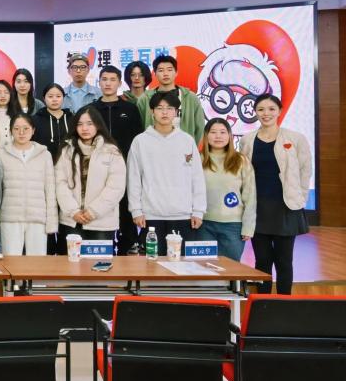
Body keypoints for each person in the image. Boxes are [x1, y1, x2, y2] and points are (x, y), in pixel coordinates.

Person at [240, 94, 312, 294]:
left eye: (271, 109)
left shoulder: (295, 138)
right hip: (258, 208)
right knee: (262, 260)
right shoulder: (247, 140)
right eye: (261, 109)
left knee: (284, 261)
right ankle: (262, 304)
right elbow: (243, 173)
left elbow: (305, 170)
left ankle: (284, 305)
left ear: (279, 111)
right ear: (255, 112)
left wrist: (300, 197)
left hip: (285, 207)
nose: (266, 113)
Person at [127, 90, 206, 252]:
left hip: (183, 215)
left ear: (176, 112)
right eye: (159, 108)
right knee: (152, 263)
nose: (165, 112)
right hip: (150, 215)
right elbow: (133, 178)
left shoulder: (187, 140)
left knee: (180, 263)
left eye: (169, 108)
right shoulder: (140, 141)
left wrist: (198, 211)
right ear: (152, 112)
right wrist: (136, 210)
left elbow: (196, 178)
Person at [55, 107, 126, 254]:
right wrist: (73, 211)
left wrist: (93, 211)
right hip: (72, 220)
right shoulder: (66, 151)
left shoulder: (111, 151)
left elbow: (116, 187)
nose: (84, 128)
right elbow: (59, 183)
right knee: (70, 265)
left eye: (89, 123)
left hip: (101, 221)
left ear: (98, 125)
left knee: (98, 265)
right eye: (80, 124)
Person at [92, 64, 143, 254]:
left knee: (125, 206)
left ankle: (128, 246)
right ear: (99, 82)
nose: (108, 83)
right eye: (104, 79)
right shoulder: (91, 110)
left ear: (120, 83)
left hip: (125, 167)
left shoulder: (130, 109)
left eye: (113, 80)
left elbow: (138, 139)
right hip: (97, 169)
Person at [198, 118, 256, 262]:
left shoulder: (240, 160)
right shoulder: (198, 159)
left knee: (230, 269)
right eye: (213, 132)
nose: (218, 136)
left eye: (223, 132)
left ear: (230, 136)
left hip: (233, 226)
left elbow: (250, 195)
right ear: (206, 135)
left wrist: (248, 226)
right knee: (203, 268)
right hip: (202, 224)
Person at [0, 113, 56, 255]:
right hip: (10, 218)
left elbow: (50, 190)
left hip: (38, 218)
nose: (21, 132)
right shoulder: (0, 154)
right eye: (16, 128)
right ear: (10, 131)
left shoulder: (44, 154)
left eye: (26, 128)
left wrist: (52, 222)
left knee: (37, 263)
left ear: (33, 130)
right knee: (11, 262)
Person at [135, 55, 206, 142]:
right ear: (155, 74)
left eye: (169, 70)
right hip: (153, 147)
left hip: (182, 147)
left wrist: (190, 146)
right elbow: (139, 127)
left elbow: (200, 127)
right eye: (161, 70)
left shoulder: (190, 98)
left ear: (176, 73)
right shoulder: (145, 99)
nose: (165, 74)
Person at [32, 83, 73, 161]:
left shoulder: (72, 119)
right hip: (43, 163)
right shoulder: (35, 120)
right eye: (50, 96)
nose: (54, 99)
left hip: (68, 163)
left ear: (63, 98)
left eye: (58, 96)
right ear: (44, 98)